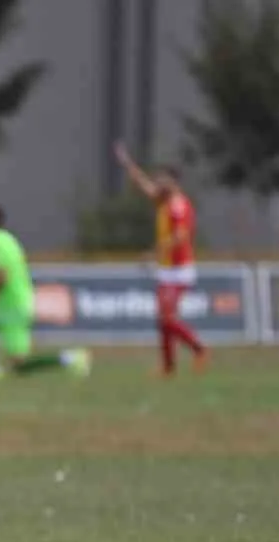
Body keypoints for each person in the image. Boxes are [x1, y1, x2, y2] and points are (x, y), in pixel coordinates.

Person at [0, 204, 89, 380]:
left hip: (12, 305)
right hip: (8, 301)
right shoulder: (7, 239)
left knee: (19, 365)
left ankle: (72, 358)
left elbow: (1, 278)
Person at [115, 141, 206, 376]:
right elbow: (143, 184)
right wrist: (127, 164)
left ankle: (198, 349)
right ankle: (169, 367)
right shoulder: (164, 200)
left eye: (162, 179)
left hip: (179, 269)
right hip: (167, 269)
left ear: (173, 181)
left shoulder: (178, 206)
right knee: (163, 320)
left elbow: (180, 236)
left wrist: (153, 252)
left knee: (166, 318)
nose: (157, 182)